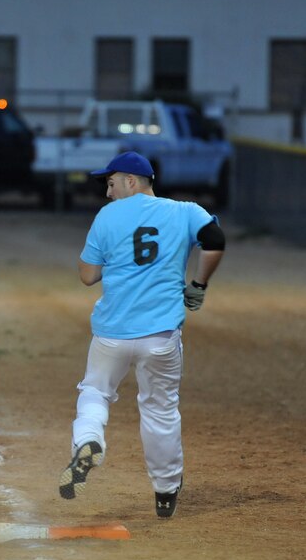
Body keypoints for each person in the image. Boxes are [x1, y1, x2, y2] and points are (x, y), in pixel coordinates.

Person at [59, 151, 225, 518]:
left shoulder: (107, 216)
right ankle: (165, 492)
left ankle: (88, 439)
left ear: (132, 181)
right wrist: (199, 283)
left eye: (111, 182)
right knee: (160, 409)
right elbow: (215, 239)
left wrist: (118, 263)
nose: (107, 192)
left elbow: (87, 275)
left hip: (112, 334)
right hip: (161, 335)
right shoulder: (185, 212)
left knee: (95, 391)